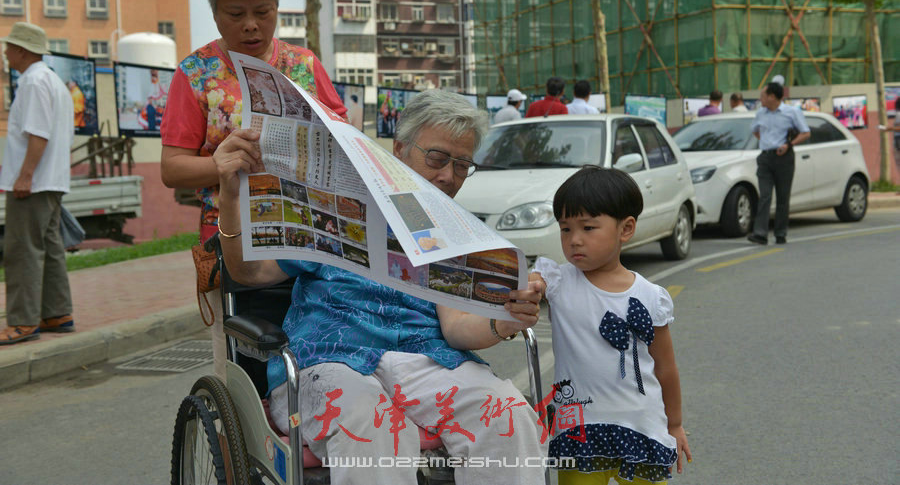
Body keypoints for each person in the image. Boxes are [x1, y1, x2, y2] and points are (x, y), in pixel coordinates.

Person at [213, 90, 546, 485]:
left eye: (462, 166)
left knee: (506, 411)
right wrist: (230, 193)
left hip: (423, 360)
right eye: (437, 159)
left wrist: (502, 320)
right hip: (326, 357)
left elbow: (457, 327)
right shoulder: (332, 206)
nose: (447, 177)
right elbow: (248, 274)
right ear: (400, 149)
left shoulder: (453, 228)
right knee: (371, 423)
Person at [159, 0, 347, 379]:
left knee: (325, 350)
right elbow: (172, 168)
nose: (251, 26)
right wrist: (219, 164)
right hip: (237, 242)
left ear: (277, 6)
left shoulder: (303, 67)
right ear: (214, 9)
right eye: (235, 13)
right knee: (257, 366)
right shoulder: (196, 74)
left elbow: (343, 140)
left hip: (310, 237)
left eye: (262, 12)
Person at [530, 167, 691, 484]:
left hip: (642, 426)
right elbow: (531, 284)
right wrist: (528, 287)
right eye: (565, 229)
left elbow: (666, 367)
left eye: (588, 227)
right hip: (579, 429)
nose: (574, 239)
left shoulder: (650, 296)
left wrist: (674, 424)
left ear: (626, 228)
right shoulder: (558, 281)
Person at [0, 22, 76, 345]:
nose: (5, 53)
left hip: (33, 182)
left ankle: (23, 321)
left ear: (21, 50)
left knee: (22, 251)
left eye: (9, 47)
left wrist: (25, 175)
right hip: (53, 180)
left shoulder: (32, 82)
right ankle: (57, 312)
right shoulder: (54, 81)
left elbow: (37, 133)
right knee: (50, 248)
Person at [747, 76, 810, 245]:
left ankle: (780, 233)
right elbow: (755, 130)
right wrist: (766, 142)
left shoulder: (792, 112)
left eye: (763, 96)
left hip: (784, 157)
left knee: (783, 197)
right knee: (765, 195)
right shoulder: (760, 113)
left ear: (772, 97)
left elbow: (805, 132)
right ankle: (760, 233)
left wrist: (788, 145)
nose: (761, 99)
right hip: (766, 158)